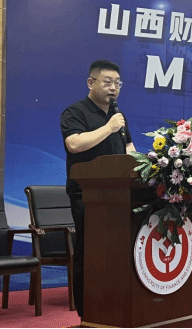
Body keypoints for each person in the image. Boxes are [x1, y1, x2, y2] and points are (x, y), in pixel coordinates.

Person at [60, 60, 135, 318]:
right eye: (108, 82)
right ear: (91, 83)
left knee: (117, 253)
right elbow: (74, 144)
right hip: (87, 196)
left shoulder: (118, 116)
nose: (114, 88)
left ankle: (113, 306)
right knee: (89, 252)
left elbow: (129, 149)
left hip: (120, 195)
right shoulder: (75, 112)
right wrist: (109, 128)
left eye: (118, 83)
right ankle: (87, 311)